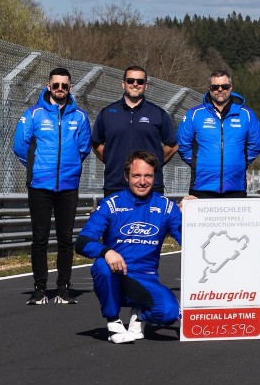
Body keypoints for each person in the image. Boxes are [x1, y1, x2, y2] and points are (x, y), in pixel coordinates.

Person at [76, 150, 183, 343]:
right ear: (127, 176)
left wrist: (195, 214)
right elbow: (82, 242)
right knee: (101, 265)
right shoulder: (111, 205)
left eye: (148, 175)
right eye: (136, 175)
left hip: (146, 279)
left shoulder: (167, 207)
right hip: (117, 275)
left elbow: (188, 239)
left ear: (154, 176)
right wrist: (107, 251)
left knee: (169, 312)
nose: (142, 181)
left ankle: (141, 312)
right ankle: (114, 322)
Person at [10, 66, 92, 305]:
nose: (59, 89)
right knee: (40, 239)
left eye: (64, 85)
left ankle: (64, 288)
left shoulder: (80, 116)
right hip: (40, 185)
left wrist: (71, 165)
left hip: (68, 185)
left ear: (70, 88)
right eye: (55, 85)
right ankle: (39, 289)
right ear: (48, 86)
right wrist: (36, 166)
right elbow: (19, 145)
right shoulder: (33, 114)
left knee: (66, 238)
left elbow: (84, 147)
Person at [175, 70, 260, 198]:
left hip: (235, 186)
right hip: (202, 186)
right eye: (215, 87)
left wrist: (241, 162)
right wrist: (198, 163)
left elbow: (256, 145)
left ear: (231, 88)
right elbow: (183, 145)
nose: (220, 90)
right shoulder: (194, 114)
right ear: (209, 89)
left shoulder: (246, 114)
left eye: (225, 86)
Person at [92, 65, 177, 197]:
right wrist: (112, 160)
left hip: (150, 186)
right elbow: (95, 143)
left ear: (146, 85)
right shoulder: (107, 113)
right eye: (130, 81)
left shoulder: (159, 114)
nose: (135, 84)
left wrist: (153, 163)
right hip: (116, 186)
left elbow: (172, 145)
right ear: (123, 84)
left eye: (140, 81)